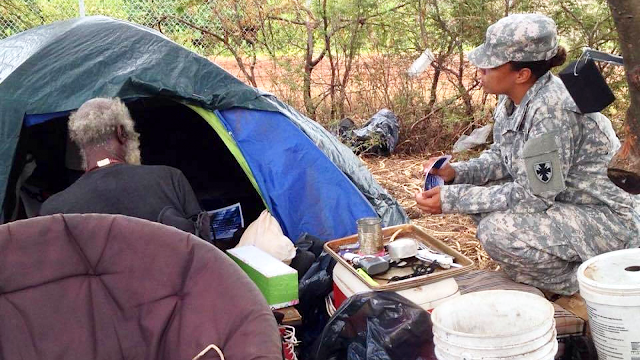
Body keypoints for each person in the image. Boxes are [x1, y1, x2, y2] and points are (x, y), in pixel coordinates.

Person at [415, 14, 640, 295]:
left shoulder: (551, 110)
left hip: (606, 219)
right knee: (480, 197)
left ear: (521, 74)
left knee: (496, 231)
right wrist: (458, 173)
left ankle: (586, 285)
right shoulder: (514, 97)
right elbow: (502, 156)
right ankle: (551, 270)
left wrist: (453, 199)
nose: (480, 71)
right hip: (565, 204)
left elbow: (533, 198)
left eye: (489, 66)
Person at [40, 97, 208, 237]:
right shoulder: (170, 179)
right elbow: (205, 248)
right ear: (121, 133)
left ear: (79, 140)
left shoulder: (52, 210)